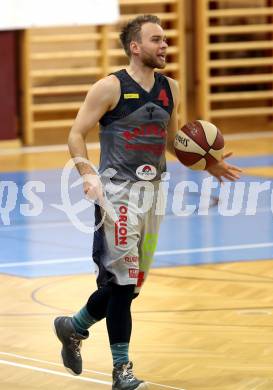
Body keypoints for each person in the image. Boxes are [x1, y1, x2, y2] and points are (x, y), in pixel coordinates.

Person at [53, 14, 241, 390]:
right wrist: (89, 175)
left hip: (154, 194)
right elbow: (76, 135)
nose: (164, 46)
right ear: (135, 47)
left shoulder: (171, 88)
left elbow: (174, 140)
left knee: (132, 286)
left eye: (165, 40)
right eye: (156, 40)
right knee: (122, 283)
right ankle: (122, 371)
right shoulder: (110, 87)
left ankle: (73, 326)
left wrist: (209, 162)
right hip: (116, 195)